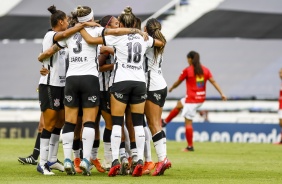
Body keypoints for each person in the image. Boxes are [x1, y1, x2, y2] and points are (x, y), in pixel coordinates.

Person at [36, 5, 97, 176]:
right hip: (50, 84)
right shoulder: (52, 35)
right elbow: (60, 37)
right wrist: (84, 25)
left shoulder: (69, 38)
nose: (69, 24)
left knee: (60, 123)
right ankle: (42, 163)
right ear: (61, 21)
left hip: (63, 84)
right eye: (68, 22)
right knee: (48, 124)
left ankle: (53, 159)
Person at [168, 51, 227, 152]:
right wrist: (222, 93)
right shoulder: (205, 70)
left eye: (187, 59)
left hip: (192, 100)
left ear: (190, 59)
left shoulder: (188, 70)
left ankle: (190, 146)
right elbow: (213, 82)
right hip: (200, 99)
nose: (187, 61)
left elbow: (178, 82)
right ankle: (164, 122)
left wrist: (172, 88)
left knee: (188, 122)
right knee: (179, 104)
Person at [143, 18, 171, 176]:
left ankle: (162, 159)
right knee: (156, 124)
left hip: (151, 86)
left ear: (146, 28)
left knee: (153, 124)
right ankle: (162, 159)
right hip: (161, 85)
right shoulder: (160, 41)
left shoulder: (147, 42)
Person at [276, 68, 282, 144]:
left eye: (281, 73)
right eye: (279, 73)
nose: (280, 75)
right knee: (280, 123)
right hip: (280, 106)